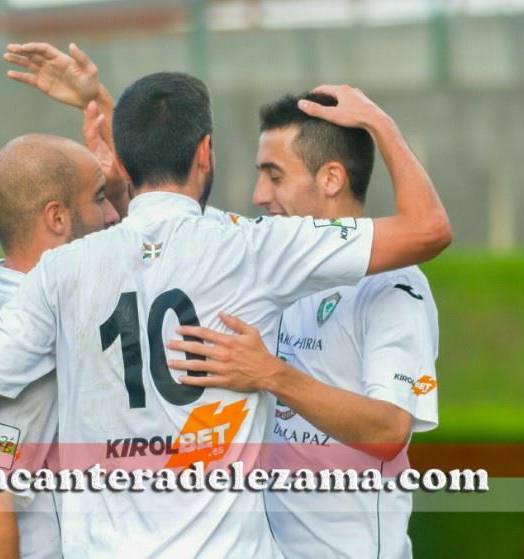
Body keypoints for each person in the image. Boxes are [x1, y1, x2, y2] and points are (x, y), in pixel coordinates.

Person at [0, 66, 450, 557]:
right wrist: (380, 123)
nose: (258, 195)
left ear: (126, 166)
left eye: (273, 175)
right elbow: (428, 229)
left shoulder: (60, 272)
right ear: (205, 153)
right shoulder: (251, 252)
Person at [167, 93, 440, 558]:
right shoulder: (267, 257)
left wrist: (270, 374)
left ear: (331, 178)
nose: (258, 194)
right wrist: (104, 107)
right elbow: (168, 208)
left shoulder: (393, 287)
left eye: (274, 175)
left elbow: (390, 431)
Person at [0, 132, 119, 559]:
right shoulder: (29, 327)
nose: (111, 216)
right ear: (56, 218)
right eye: (100, 197)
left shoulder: (1, 302)